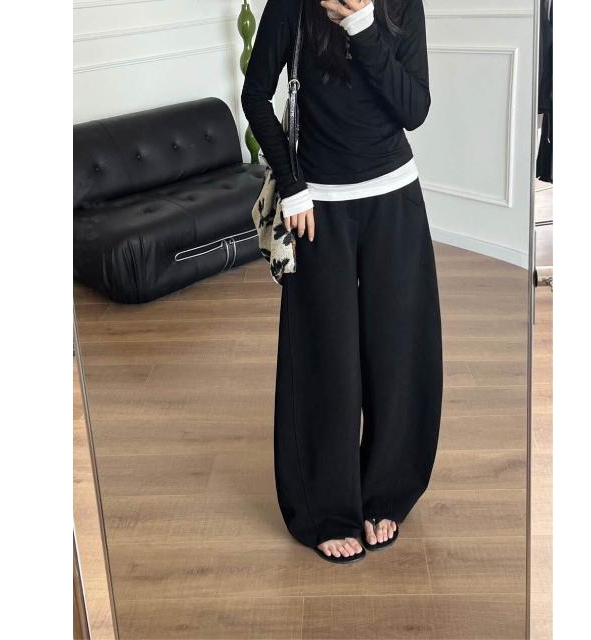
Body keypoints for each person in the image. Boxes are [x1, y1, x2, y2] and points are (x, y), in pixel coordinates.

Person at [241, 0, 442, 564]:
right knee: (324, 359)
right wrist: (292, 185)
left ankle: (386, 492)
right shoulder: (292, 4)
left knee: (396, 354)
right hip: (316, 208)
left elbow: (414, 109)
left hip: (394, 197)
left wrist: (363, 26)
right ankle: (325, 507)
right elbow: (255, 96)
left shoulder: (401, 4)